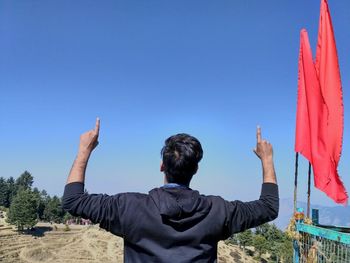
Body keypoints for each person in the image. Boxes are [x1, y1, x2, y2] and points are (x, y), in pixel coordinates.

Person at [62, 118, 279, 262]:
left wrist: (84, 149)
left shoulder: (129, 208)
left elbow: (73, 201)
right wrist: (267, 160)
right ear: (195, 169)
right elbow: (269, 207)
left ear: (162, 166)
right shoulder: (218, 211)